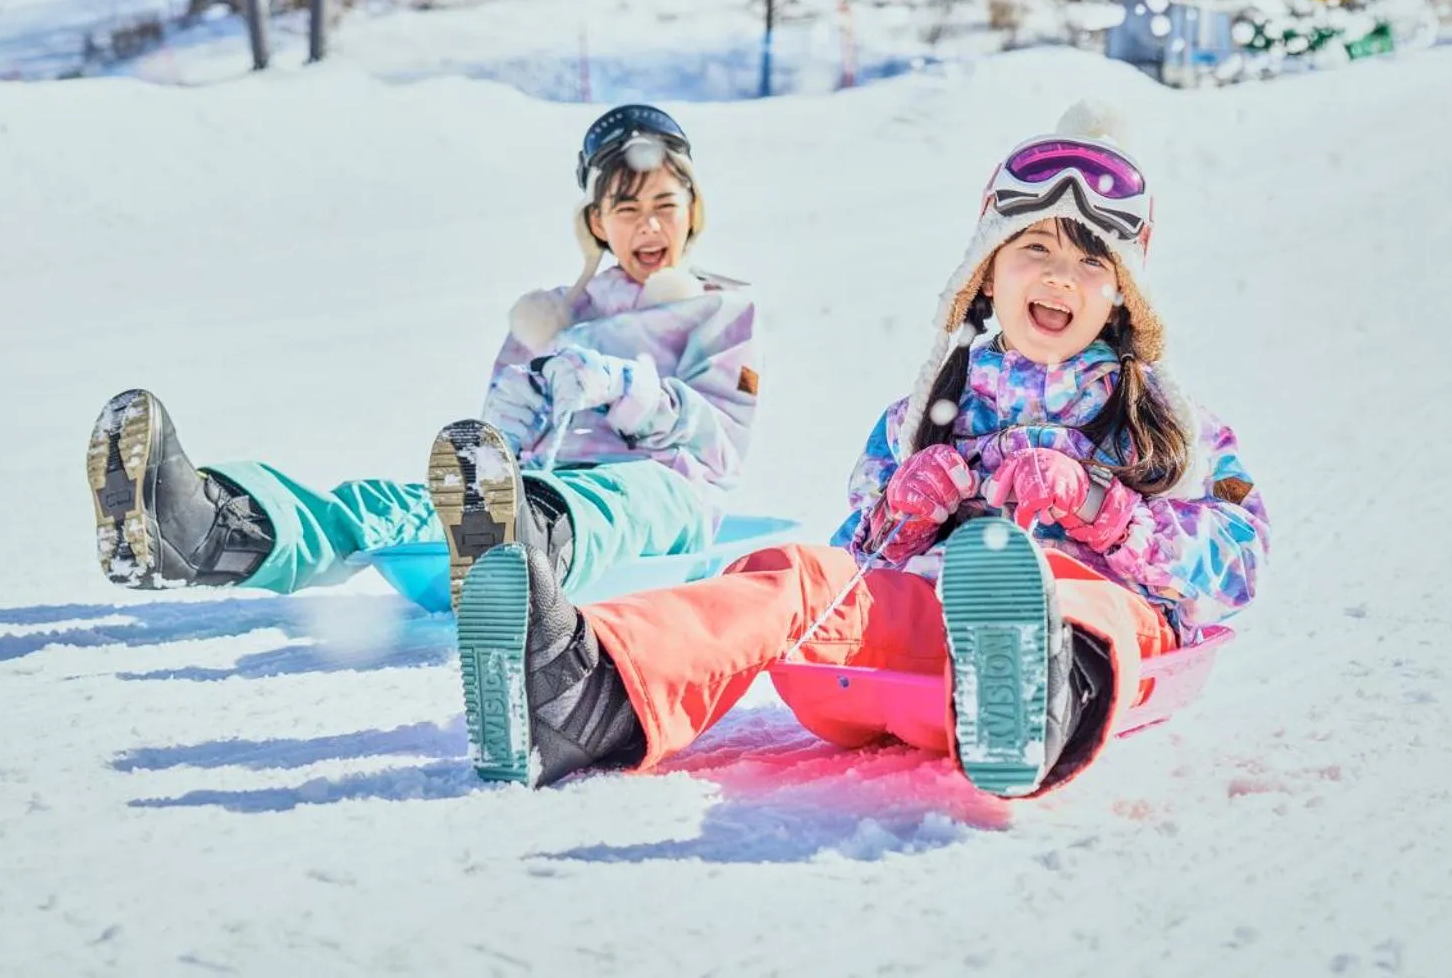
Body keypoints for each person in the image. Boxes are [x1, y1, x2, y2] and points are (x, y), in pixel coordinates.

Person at [451, 104, 1269, 798]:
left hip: (1098, 628)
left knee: (1076, 596)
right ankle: (588, 694)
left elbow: (1238, 561)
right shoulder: (923, 417)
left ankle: (1031, 692)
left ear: (1121, 295)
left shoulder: (1169, 426)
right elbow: (857, 562)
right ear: (988, 275)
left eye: (1091, 262)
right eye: (1036, 249)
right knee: (795, 577)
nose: (1060, 276)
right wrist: (904, 512)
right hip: (929, 631)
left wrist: (1100, 507)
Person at [84, 104, 760, 602]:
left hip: (663, 502)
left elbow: (720, 446)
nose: (649, 225)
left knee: (628, 494)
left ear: (693, 210)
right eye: (627, 210)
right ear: (597, 224)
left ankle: (523, 549)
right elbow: (494, 448)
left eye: (666, 205)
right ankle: (206, 529)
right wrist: (517, 408)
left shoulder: (719, 309)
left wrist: (624, 388)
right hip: (535, 492)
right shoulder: (553, 318)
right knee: (390, 504)